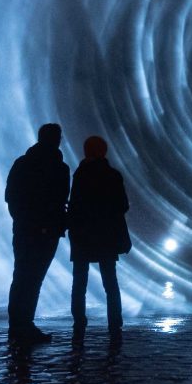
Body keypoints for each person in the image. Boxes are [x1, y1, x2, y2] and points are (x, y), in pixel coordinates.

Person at [5, 123, 70, 344]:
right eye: (58, 136)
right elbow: (60, 200)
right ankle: (25, 325)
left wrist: (22, 220)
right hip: (46, 231)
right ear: (56, 139)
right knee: (33, 279)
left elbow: (11, 197)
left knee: (22, 276)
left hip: (24, 229)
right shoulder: (60, 168)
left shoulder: (22, 163)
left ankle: (17, 325)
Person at [67, 135, 130, 342]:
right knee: (110, 282)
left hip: (83, 235)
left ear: (86, 152)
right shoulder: (113, 175)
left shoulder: (80, 174)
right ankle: (115, 322)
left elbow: (74, 205)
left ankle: (79, 321)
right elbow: (123, 206)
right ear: (104, 152)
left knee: (79, 282)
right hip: (106, 235)